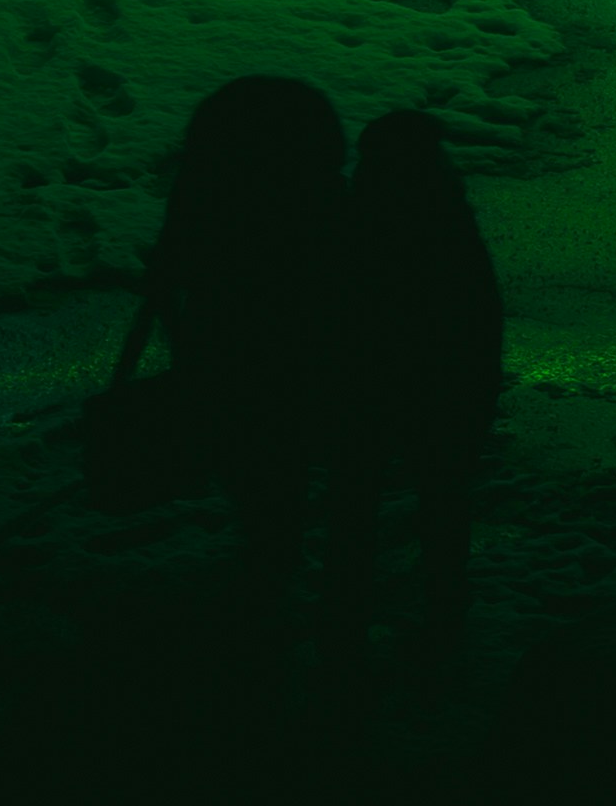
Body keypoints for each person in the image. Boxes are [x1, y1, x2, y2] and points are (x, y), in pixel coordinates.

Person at [105, 75, 363, 639]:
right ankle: (298, 557)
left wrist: (184, 337)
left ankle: (271, 549)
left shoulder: (214, 191)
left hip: (229, 336)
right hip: (302, 337)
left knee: (255, 453)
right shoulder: (315, 198)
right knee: (293, 448)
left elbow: (175, 258)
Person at [329, 106, 507, 665]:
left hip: (372, 383)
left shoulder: (361, 220)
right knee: (443, 499)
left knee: (354, 501)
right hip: (447, 381)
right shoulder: (448, 220)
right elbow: (481, 314)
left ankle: (345, 619)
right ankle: (444, 610)